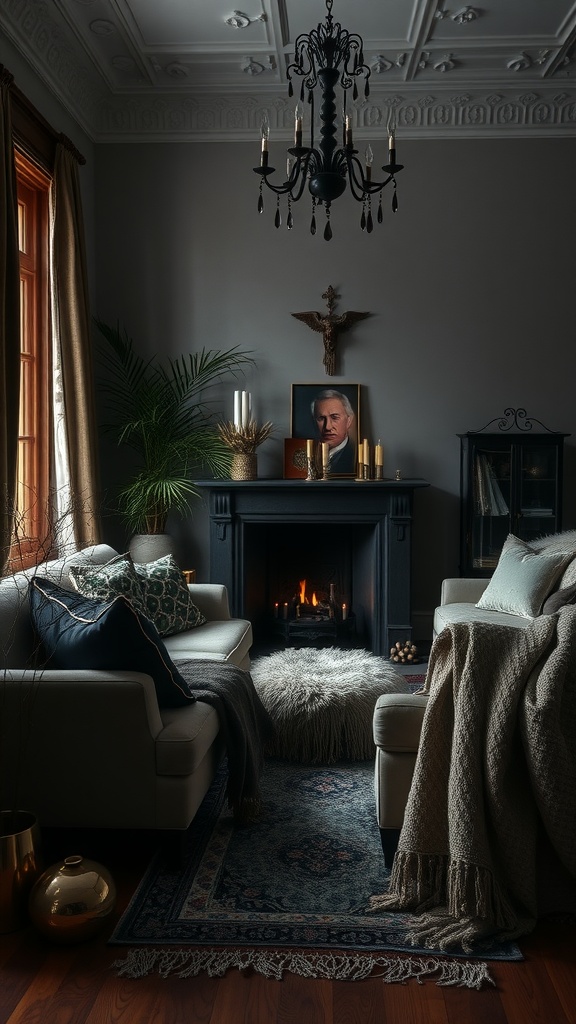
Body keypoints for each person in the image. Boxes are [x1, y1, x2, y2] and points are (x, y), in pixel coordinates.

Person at [311, 389, 356, 474]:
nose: (327, 427)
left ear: (349, 421)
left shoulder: (355, 456)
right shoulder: (309, 455)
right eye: (321, 418)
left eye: (335, 417)